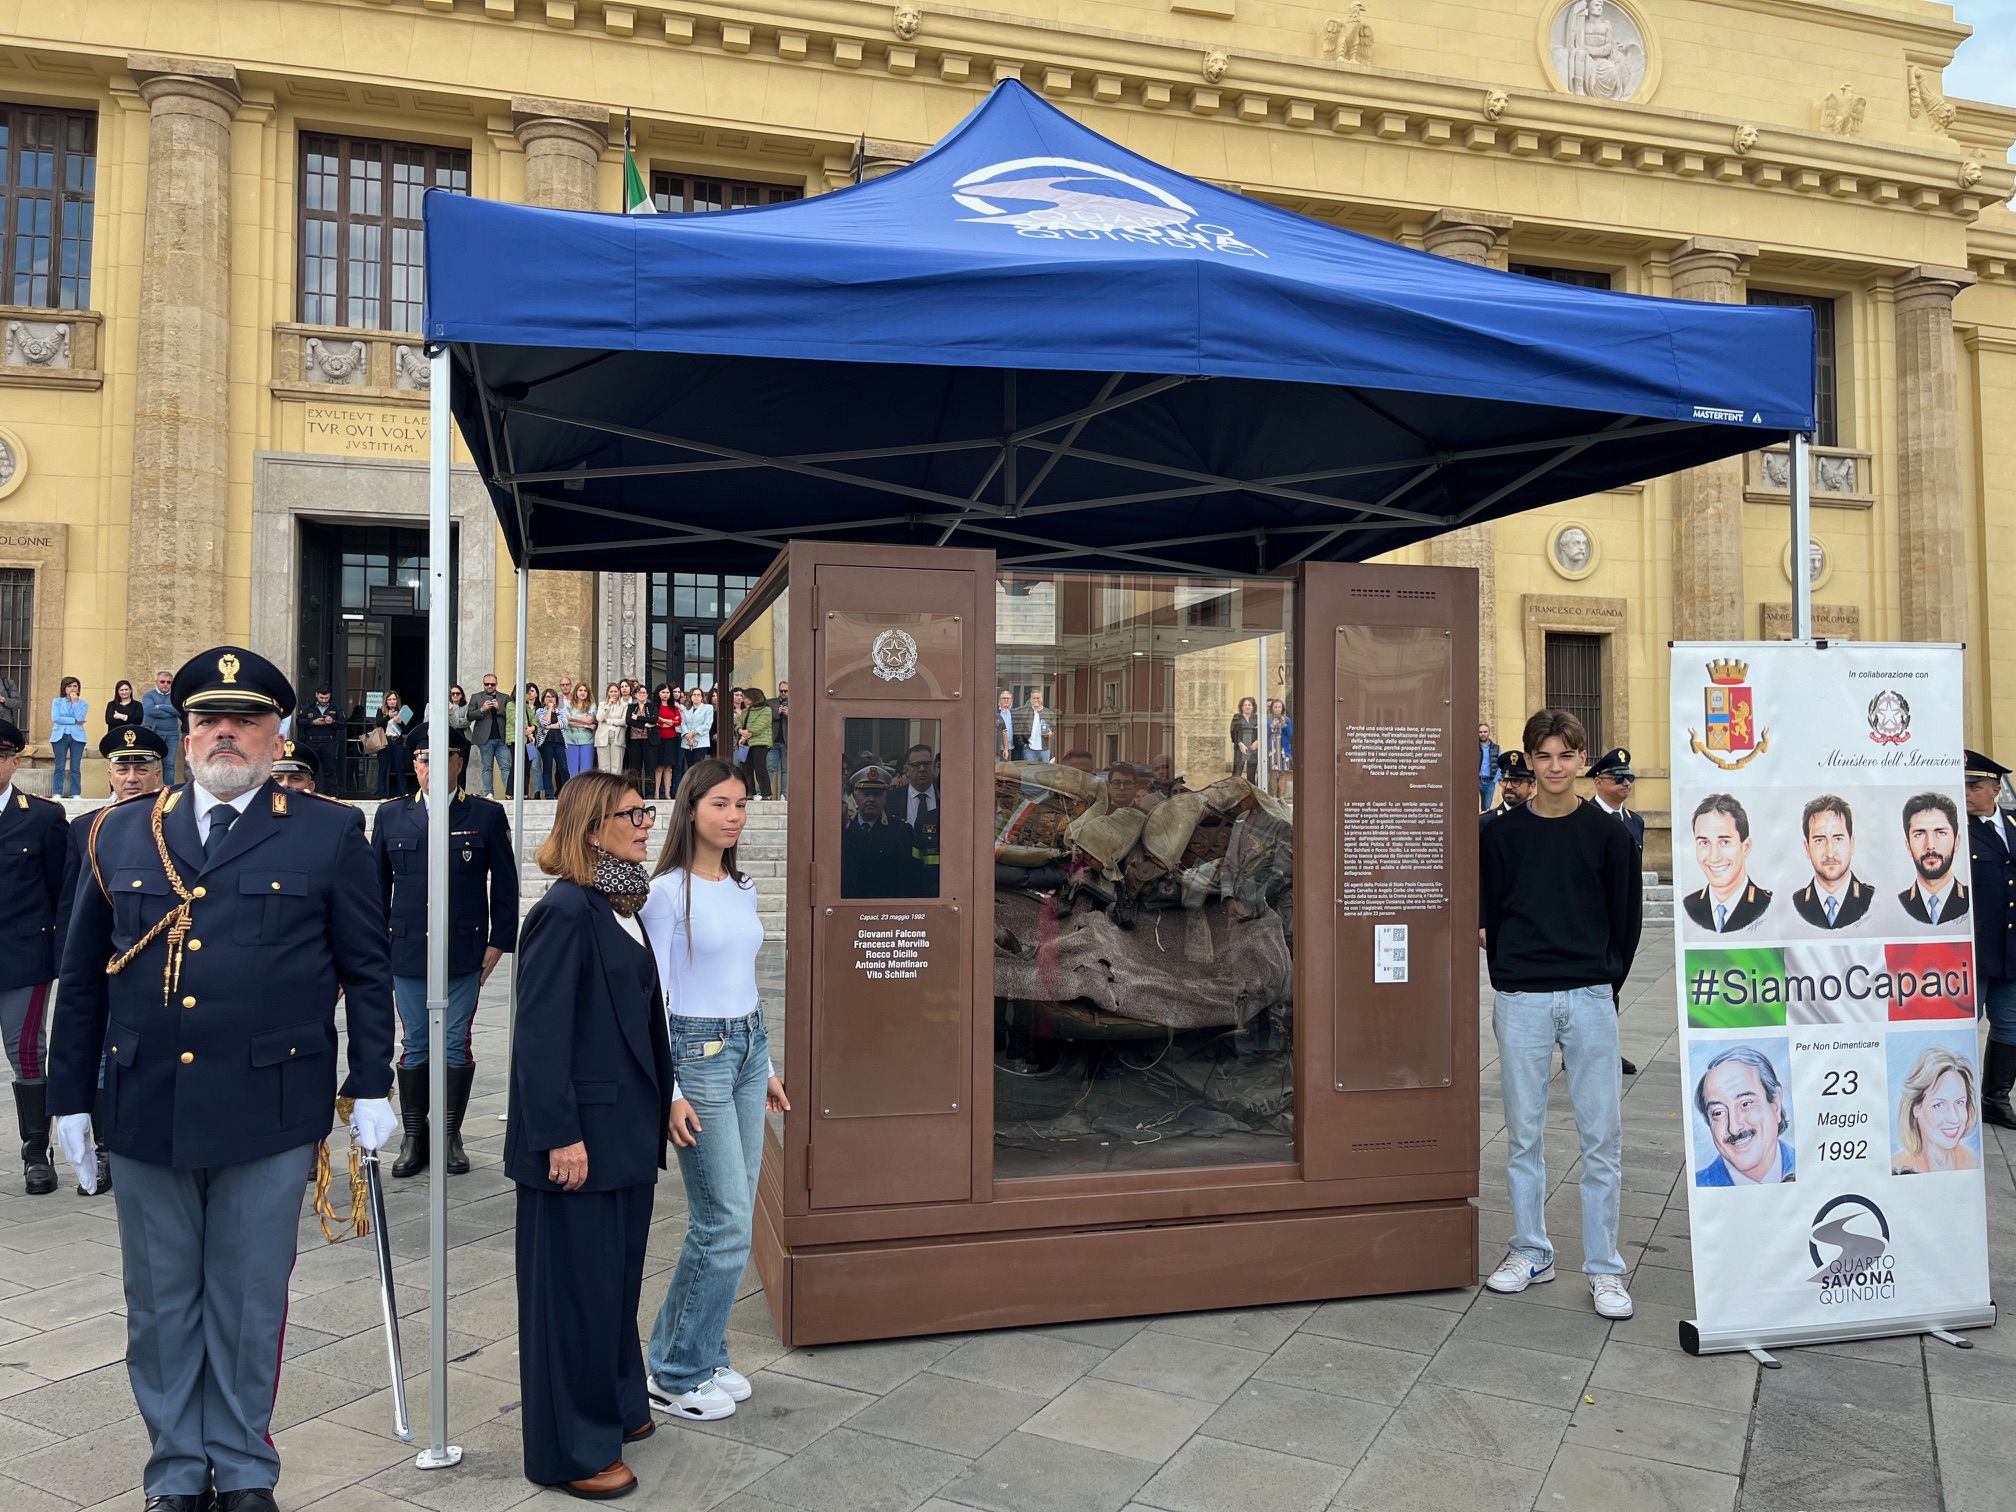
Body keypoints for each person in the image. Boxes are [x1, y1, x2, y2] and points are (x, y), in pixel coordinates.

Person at [47, 646, 396, 1512]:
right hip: (143, 1103)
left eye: (244, 720)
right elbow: (82, 977)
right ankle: (174, 1471)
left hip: (269, 1105)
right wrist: (67, 1103)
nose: (225, 733)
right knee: (160, 1305)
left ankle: (242, 1468)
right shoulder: (116, 830)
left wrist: (376, 1081)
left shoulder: (327, 830)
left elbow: (367, 967)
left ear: (278, 735)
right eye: (208, 719)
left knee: (247, 1302)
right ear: (184, 733)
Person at [507, 770, 671, 1499]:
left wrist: (664, 1100)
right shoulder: (567, 910)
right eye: (632, 814)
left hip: (625, 1134)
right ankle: (570, 1449)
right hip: (578, 1142)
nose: (646, 824)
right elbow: (540, 1037)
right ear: (592, 827)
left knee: (613, 1286)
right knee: (572, 1298)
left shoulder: (622, 900)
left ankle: (616, 1404)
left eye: (646, 811)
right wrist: (557, 1135)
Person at [1479, 708, 1640, 1320]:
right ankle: (1531, 1250)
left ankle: (1605, 1269)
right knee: (1524, 1136)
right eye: (1542, 756)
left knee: (1602, 1138)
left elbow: (1625, 921)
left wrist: (1602, 981)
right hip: (1521, 999)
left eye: (1565, 756)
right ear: (1529, 760)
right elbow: (1487, 915)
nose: (1553, 767)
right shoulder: (1499, 835)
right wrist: (1511, 974)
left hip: (1590, 997)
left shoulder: (1608, 837)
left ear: (1581, 761)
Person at [642, 757, 788, 1421]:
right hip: (695, 1054)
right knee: (723, 1218)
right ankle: (674, 1370)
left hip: (746, 1047)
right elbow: (659, 998)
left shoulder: (742, 885)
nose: (734, 816)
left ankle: (704, 1349)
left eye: (741, 804)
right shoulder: (667, 893)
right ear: (691, 808)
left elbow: (743, 979)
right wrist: (670, 1087)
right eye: (721, 804)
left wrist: (767, 1063)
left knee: (738, 1211)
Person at [374, 723, 518, 1178]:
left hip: (464, 948)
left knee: (456, 1042)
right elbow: (376, 888)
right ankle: (415, 1135)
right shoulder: (391, 816)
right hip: (408, 949)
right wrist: (375, 943)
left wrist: (500, 940)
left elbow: (507, 884)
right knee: (415, 1043)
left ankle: (450, 1134)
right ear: (414, 764)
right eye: (422, 758)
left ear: (460, 762)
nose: (432, 766)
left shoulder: (486, 814)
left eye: (443, 756)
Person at [0, 717, 69, 1194]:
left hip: (22, 954)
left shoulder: (42, 817)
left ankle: (35, 1152)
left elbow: (58, 890)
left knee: (26, 1051)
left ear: (14, 761)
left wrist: (59, 954)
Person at [1965, 749, 2016, 1129]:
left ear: (1995, 789)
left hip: (2012, 945)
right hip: (1975, 947)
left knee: (2010, 1023)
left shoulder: (2014, 825)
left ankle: (1996, 1099)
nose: (1966, 791)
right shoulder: (1955, 829)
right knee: (1966, 1020)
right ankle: (1958, 1100)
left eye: (1975, 785)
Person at [1584, 748, 1643, 1077]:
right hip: (1594, 914)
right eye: (1619, 778)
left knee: (1615, 981)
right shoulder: (1586, 817)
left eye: (1630, 778)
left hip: (1624, 912)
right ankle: (1585, 1049)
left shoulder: (1635, 822)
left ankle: (1607, 1048)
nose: (1626, 783)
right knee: (1596, 982)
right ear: (1599, 781)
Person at [1693, 1046, 1795, 1186]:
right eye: (1718, 1112)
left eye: (1745, 1104)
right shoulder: (1699, 1185)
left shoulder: (1813, 1166)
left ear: (1776, 1104)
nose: (1734, 1128)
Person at [1683, 793, 1772, 933]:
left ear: (1746, 847)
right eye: (1704, 842)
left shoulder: (1766, 905)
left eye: (1724, 842)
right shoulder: (1689, 906)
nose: (1714, 857)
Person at [1890, 1046, 1980, 1175]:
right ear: (1916, 1108)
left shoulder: (1973, 1162)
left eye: (1960, 1103)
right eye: (1939, 1105)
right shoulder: (1898, 1169)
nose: (1954, 1118)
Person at [1791, 794, 1873, 929]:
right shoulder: (1796, 904)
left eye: (1838, 839)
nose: (1830, 853)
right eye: (1819, 840)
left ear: (1851, 844)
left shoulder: (1870, 899)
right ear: (1807, 848)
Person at [840, 765, 918, 899]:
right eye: (866, 794)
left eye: (877, 794)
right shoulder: (843, 829)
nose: (871, 799)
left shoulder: (901, 831)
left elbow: (907, 880)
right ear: (855, 796)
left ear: (885, 796)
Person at [1900, 791, 1969, 924]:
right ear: (1908, 845)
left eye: (1941, 833)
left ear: (1957, 842)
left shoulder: (1973, 899)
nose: (1930, 845)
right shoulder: (1898, 904)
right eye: (1919, 834)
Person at [897, 742, 941, 893]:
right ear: (907, 770)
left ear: (934, 767)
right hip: (901, 876)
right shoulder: (891, 799)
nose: (922, 769)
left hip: (936, 880)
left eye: (926, 764)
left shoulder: (947, 799)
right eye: (916, 765)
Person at [468, 673, 513, 798]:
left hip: (502, 738)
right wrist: (482, 709)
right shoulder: (476, 697)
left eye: (492, 684)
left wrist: (499, 708)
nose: (489, 686)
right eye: (486, 684)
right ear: (483, 684)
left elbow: (511, 715)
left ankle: (509, 793)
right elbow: (469, 716)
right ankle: (488, 793)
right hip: (485, 739)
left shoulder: (504, 697)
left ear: (496, 684)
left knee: (505, 767)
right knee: (487, 767)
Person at [299, 684, 346, 797]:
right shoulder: (308, 707)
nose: (324, 700)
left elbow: (343, 724)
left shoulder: (335, 708)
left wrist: (333, 721)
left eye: (326, 698)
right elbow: (299, 722)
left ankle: (332, 796)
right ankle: (310, 794)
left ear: (330, 696)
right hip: (312, 742)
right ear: (316, 695)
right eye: (321, 698)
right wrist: (312, 722)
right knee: (311, 770)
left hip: (328, 743)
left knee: (330, 770)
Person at [49, 675, 88, 797]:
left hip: (77, 737)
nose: (72, 688)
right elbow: (56, 718)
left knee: (75, 767)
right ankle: (57, 792)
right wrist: (74, 721)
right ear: (64, 688)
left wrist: (75, 703)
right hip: (60, 735)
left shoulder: (83, 703)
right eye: (69, 686)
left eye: (75, 686)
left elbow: (81, 718)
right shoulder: (57, 701)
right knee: (59, 765)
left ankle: (75, 793)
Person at [142, 669, 182, 786]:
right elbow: (149, 710)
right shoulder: (148, 695)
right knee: (151, 762)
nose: (165, 684)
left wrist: (160, 706)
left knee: (169, 764)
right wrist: (170, 710)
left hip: (172, 734)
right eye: (162, 681)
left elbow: (179, 710)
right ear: (156, 682)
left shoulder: (175, 696)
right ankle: (151, 789)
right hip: (154, 732)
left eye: (168, 682)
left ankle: (168, 790)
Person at [1479, 750, 1535, 829]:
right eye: (1505, 780)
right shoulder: (1484, 823)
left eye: (1516, 781)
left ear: (1532, 786)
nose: (1508, 786)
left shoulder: (1543, 823)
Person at [739, 687, 774, 801]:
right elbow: (738, 724)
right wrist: (740, 731)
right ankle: (749, 792)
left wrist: (745, 735)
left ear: (753, 698)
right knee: (745, 768)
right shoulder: (745, 711)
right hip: (744, 744)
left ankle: (766, 793)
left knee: (760, 768)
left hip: (760, 743)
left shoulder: (766, 710)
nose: (744, 700)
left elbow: (759, 726)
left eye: (746, 698)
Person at [375, 690, 411, 798]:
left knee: (400, 768)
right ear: (386, 701)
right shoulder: (381, 711)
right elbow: (378, 723)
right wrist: (388, 717)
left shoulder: (402, 711)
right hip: (384, 742)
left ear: (397, 700)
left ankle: (403, 793)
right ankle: (382, 794)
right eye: (389, 699)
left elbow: (407, 729)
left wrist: (401, 722)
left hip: (397, 742)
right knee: (383, 769)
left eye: (394, 699)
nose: (392, 701)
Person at [652, 685, 682, 799]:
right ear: (658, 693)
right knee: (659, 767)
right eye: (663, 692)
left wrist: (664, 720)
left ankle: (668, 793)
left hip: (672, 738)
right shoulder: (655, 707)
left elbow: (677, 721)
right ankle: (656, 793)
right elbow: (656, 722)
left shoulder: (674, 707)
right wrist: (669, 722)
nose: (665, 694)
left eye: (667, 692)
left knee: (669, 767)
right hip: (659, 738)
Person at [538, 688, 569, 796]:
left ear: (556, 699)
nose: (550, 699)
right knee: (547, 768)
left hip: (559, 742)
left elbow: (564, 724)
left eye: (552, 697)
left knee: (563, 768)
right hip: (546, 743)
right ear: (543, 699)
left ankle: (567, 793)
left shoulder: (561, 711)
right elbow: (544, 722)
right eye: (547, 697)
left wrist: (551, 726)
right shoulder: (540, 711)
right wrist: (549, 710)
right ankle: (549, 794)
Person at [565, 683, 598, 782]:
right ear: (576, 692)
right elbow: (567, 722)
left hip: (587, 741)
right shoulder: (569, 705)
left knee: (586, 771)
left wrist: (573, 718)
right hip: (570, 740)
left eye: (585, 690)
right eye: (580, 690)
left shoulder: (592, 705)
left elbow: (589, 720)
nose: (582, 692)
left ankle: (584, 795)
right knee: (572, 771)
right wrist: (585, 725)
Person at [681, 686, 714, 779]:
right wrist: (688, 735)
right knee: (690, 766)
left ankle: (698, 785)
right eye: (694, 695)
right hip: (687, 741)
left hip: (700, 740)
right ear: (690, 697)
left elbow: (707, 724)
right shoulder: (685, 709)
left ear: (702, 697)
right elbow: (682, 723)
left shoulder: (708, 708)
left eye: (698, 695)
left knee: (698, 766)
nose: (696, 697)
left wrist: (693, 733)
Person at [596, 683, 629, 775]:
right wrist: (608, 705)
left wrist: (610, 721)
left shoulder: (624, 705)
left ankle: (615, 789)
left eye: (615, 691)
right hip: (603, 736)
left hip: (617, 736)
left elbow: (625, 721)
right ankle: (605, 788)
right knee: (603, 768)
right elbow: (599, 718)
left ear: (619, 692)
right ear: (608, 693)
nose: (613, 693)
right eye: (611, 691)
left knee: (617, 767)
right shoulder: (603, 704)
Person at [521, 682, 546, 795]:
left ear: (536, 693)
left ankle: (537, 791)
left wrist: (533, 729)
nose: (530, 694)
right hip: (524, 740)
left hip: (535, 742)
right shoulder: (521, 706)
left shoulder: (541, 708)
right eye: (528, 691)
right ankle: (524, 792)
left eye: (532, 691)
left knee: (535, 766)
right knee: (524, 767)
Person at [1266, 698, 1293, 797]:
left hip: (1284, 749)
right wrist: (1272, 725)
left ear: (1282, 708)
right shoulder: (1268, 720)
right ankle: (1273, 796)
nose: (1277, 709)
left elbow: (1291, 734)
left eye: (1279, 707)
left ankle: (1281, 797)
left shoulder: (1287, 719)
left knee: (1283, 773)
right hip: (1272, 749)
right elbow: (1265, 734)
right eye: (1275, 707)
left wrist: (1285, 725)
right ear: (1272, 708)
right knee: (1274, 773)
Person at [1229, 696, 1259, 782]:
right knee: (1237, 772)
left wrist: (1258, 741)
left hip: (1253, 747)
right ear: (1241, 707)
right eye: (1245, 705)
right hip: (1240, 747)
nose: (1247, 707)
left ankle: (1251, 793)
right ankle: (1234, 792)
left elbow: (1262, 732)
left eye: (1249, 705)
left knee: (1251, 773)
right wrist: (1239, 743)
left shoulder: (1257, 718)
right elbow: (1233, 731)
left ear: (1253, 707)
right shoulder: (1237, 717)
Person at [769, 681, 789, 800]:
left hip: (788, 742)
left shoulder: (796, 703)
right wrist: (778, 713)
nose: (783, 693)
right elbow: (766, 718)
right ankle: (765, 793)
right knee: (770, 767)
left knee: (785, 770)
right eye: (781, 691)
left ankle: (784, 794)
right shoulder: (771, 702)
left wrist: (790, 714)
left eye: (785, 691)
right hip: (773, 740)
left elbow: (803, 720)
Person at [1477, 721, 1502, 812]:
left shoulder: (1496, 748)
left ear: (1489, 733)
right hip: (1477, 781)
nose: (1482, 734)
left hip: (1490, 782)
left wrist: (1495, 780)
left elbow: (1501, 764)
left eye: (1485, 732)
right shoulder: (1472, 747)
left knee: (1486, 809)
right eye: (1480, 732)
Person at [997, 690, 1018, 761]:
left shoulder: (1014, 713)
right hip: (997, 746)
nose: (1006, 700)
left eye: (1008, 698)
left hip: (1011, 746)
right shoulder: (995, 712)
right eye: (1004, 698)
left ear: (1011, 700)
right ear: (1000, 700)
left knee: (1008, 769)